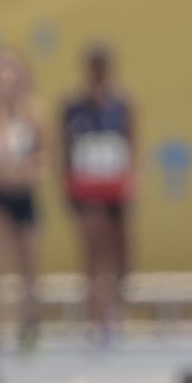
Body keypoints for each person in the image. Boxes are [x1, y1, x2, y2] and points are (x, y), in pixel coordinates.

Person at [58, 44, 137, 344]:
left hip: (115, 184)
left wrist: (133, 180)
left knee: (122, 250)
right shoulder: (74, 105)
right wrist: (67, 184)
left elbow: (133, 141)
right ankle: (95, 318)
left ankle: (116, 310)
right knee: (94, 249)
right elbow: (65, 147)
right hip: (87, 185)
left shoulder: (122, 103)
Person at [0, 47, 45, 350]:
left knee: (29, 265)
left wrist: (24, 172)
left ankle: (30, 325)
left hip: (23, 195)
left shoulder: (33, 114)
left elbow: (46, 156)